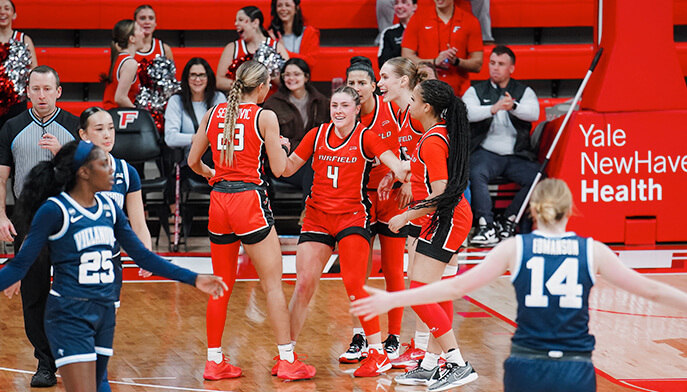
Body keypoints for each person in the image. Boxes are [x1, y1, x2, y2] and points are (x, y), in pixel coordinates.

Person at [353, 178, 687, 392]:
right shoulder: (592, 251)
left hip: (527, 363)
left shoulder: (515, 248)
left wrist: (393, 298)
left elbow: (454, 289)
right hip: (575, 365)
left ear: (534, 210)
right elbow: (652, 290)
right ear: (570, 210)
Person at [0, 140, 228, 392]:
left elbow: (144, 256)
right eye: (103, 165)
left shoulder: (110, 209)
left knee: (102, 386)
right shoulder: (55, 210)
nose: (113, 171)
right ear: (84, 173)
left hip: (104, 312)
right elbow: (20, 265)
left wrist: (194, 278)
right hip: (68, 314)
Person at [187, 60, 316, 381]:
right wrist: (285, 149)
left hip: (219, 204)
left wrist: (212, 173)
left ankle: (214, 361)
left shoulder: (213, 113)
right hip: (249, 203)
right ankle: (287, 359)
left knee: (221, 285)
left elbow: (192, 161)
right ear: (260, 87)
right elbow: (279, 170)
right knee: (272, 285)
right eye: (268, 86)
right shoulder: (265, 116)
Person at [283, 86, 409, 377]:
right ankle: (286, 353)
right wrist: (276, 147)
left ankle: (377, 353)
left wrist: (408, 169)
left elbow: (396, 166)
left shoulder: (367, 136)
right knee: (303, 284)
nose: (338, 110)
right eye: (334, 105)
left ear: (356, 109)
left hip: (353, 217)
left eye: (344, 106)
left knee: (354, 285)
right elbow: (288, 169)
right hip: (317, 217)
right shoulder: (316, 135)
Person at [377, 79, 476, 390]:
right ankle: (432, 364)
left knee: (419, 293)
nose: (410, 102)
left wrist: (406, 215)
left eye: (415, 98)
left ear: (427, 107)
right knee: (430, 291)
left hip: (446, 218)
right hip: (440, 219)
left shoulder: (433, 140)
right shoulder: (434, 135)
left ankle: (458, 363)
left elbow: (441, 193)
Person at [0, 65, 79, 387]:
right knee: (33, 294)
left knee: (71, 291)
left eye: (48, 89)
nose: (42, 95)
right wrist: (1, 216)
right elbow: (2, 177)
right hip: (27, 217)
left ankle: (73, 357)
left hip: (70, 216)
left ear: (58, 91)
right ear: (28, 91)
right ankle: (45, 362)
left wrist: (64, 154)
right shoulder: (11, 127)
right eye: (36, 89)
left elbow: (93, 170)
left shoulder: (76, 125)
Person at [336, 57, 406, 364]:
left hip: (391, 199)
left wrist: (403, 180)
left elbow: (412, 151)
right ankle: (359, 336)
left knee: (392, 269)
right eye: (351, 83)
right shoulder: (343, 115)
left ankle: (394, 337)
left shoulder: (392, 110)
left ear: (374, 85)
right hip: (357, 202)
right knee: (356, 275)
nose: (357, 88)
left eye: (362, 82)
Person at [78, 107, 152, 392]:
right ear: (83, 135)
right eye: (98, 128)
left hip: (110, 262)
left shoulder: (126, 171)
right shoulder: (69, 172)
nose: (107, 134)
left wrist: (146, 255)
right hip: (76, 262)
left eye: (110, 127)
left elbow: (139, 222)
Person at [462, 45, 540, 246]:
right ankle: (485, 225)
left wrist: (513, 106)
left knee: (539, 178)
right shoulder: (476, 90)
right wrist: (493, 109)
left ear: (511, 68)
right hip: (486, 152)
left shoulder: (523, 91)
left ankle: (508, 219)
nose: (495, 68)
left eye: (501, 64)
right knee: (475, 171)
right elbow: (466, 113)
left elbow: (534, 113)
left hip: (517, 155)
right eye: (492, 63)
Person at [262, 58, 329, 206]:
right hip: (284, 162)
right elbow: (269, 141)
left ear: (306, 77)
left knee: (315, 168)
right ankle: (309, 212)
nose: (291, 78)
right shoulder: (273, 104)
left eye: (296, 74)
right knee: (312, 171)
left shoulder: (322, 101)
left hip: (315, 160)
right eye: (287, 74)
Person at [164, 57, 226, 208]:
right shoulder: (176, 101)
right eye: (193, 75)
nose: (197, 79)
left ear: (208, 77)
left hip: (217, 159)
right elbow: (170, 138)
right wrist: (199, 139)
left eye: (202, 75)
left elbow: (225, 133)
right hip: (191, 162)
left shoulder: (219, 98)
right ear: (186, 78)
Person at [401, 0, 483, 96]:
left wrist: (456, 61)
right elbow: (406, 57)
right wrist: (435, 61)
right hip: (425, 91)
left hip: (459, 93)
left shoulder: (470, 21)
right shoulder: (418, 18)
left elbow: (477, 64)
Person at [216, 6, 289, 92]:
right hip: (243, 103)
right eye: (236, 20)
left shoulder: (276, 47)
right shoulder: (232, 48)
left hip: (270, 102)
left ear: (255, 23)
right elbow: (219, 82)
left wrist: (272, 71)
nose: (236, 24)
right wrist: (246, 85)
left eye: (241, 20)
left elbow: (288, 78)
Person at [0, 0, 38, 129]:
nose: (2, 12)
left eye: (6, 8)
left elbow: (34, 71)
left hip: (17, 101)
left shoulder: (24, 39)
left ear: (14, 14)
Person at [103, 19, 145, 109]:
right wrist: (141, 115)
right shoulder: (130, 63)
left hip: (111, 114)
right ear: (132, 38)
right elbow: (120, 98)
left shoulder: (118, 58)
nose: (143, 33)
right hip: (116, 116)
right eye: (140, 30)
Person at [268, 0, 320, 67]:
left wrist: (283, 51)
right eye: (279, 5)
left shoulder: (309, 33)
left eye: (287, 5)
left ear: (296, 8)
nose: (283, 9)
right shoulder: (271, 34)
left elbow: (310, 63)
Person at [377, 0, 417, 68]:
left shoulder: (424, 29)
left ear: (414, 6)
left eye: (404, 2)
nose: (399, 6)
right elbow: (382, 63)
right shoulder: (389, 32)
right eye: (396, 3)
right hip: (398, 74)